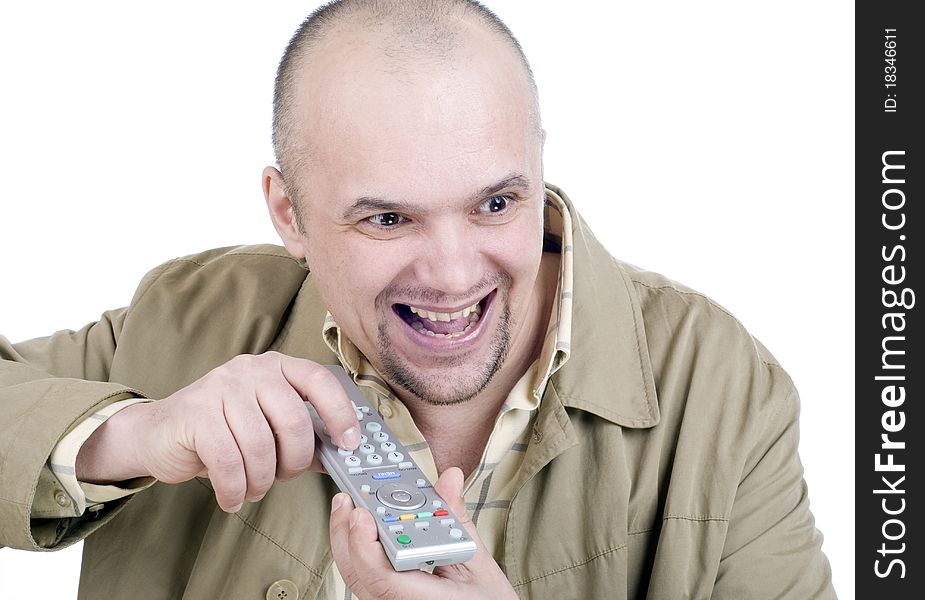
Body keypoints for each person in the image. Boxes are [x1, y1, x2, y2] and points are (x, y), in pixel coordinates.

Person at [0, 1, 836, 598]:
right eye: (389, 217)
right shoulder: (187, 314)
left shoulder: (722, 387)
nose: (449, 275)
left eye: (495, 204)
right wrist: (131, 430)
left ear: (537, 166)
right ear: (288, 212)